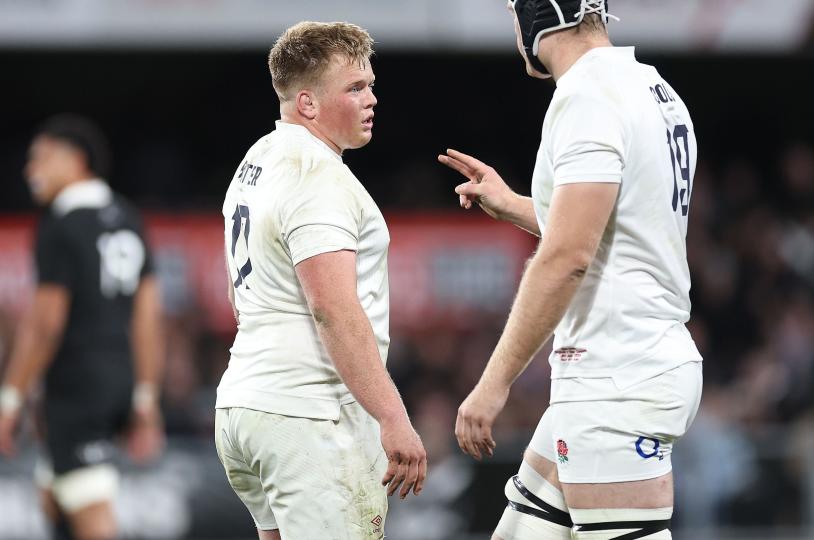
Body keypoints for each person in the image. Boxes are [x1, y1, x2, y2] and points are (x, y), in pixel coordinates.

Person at [439, 1, 703, 538]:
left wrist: (493, 384)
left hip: (616, 374)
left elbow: (567, 257)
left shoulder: (587, 96)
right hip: (628, 363)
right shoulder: (653, 88)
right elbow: (613, 224)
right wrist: (514, 204)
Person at [214, 21, 427, 540]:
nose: (372, 99)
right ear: (308, 103)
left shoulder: (256, 160)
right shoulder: (317, 176)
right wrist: (392, 416)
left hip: (244, 405)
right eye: (355, 88)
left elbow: (240, 298)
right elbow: (331, 306)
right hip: (308, 415)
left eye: (370, 84)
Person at [0, 114, 165, 540]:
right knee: (55, 493)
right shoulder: (128, 217)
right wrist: (145, 397)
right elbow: (147, 317)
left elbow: (45, 324)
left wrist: (11, 398)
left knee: (92, 515)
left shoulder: (60, 224)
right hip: (119, 377)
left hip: (77, 385)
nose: (29, 170)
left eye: (41, 159)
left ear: (76, 160)